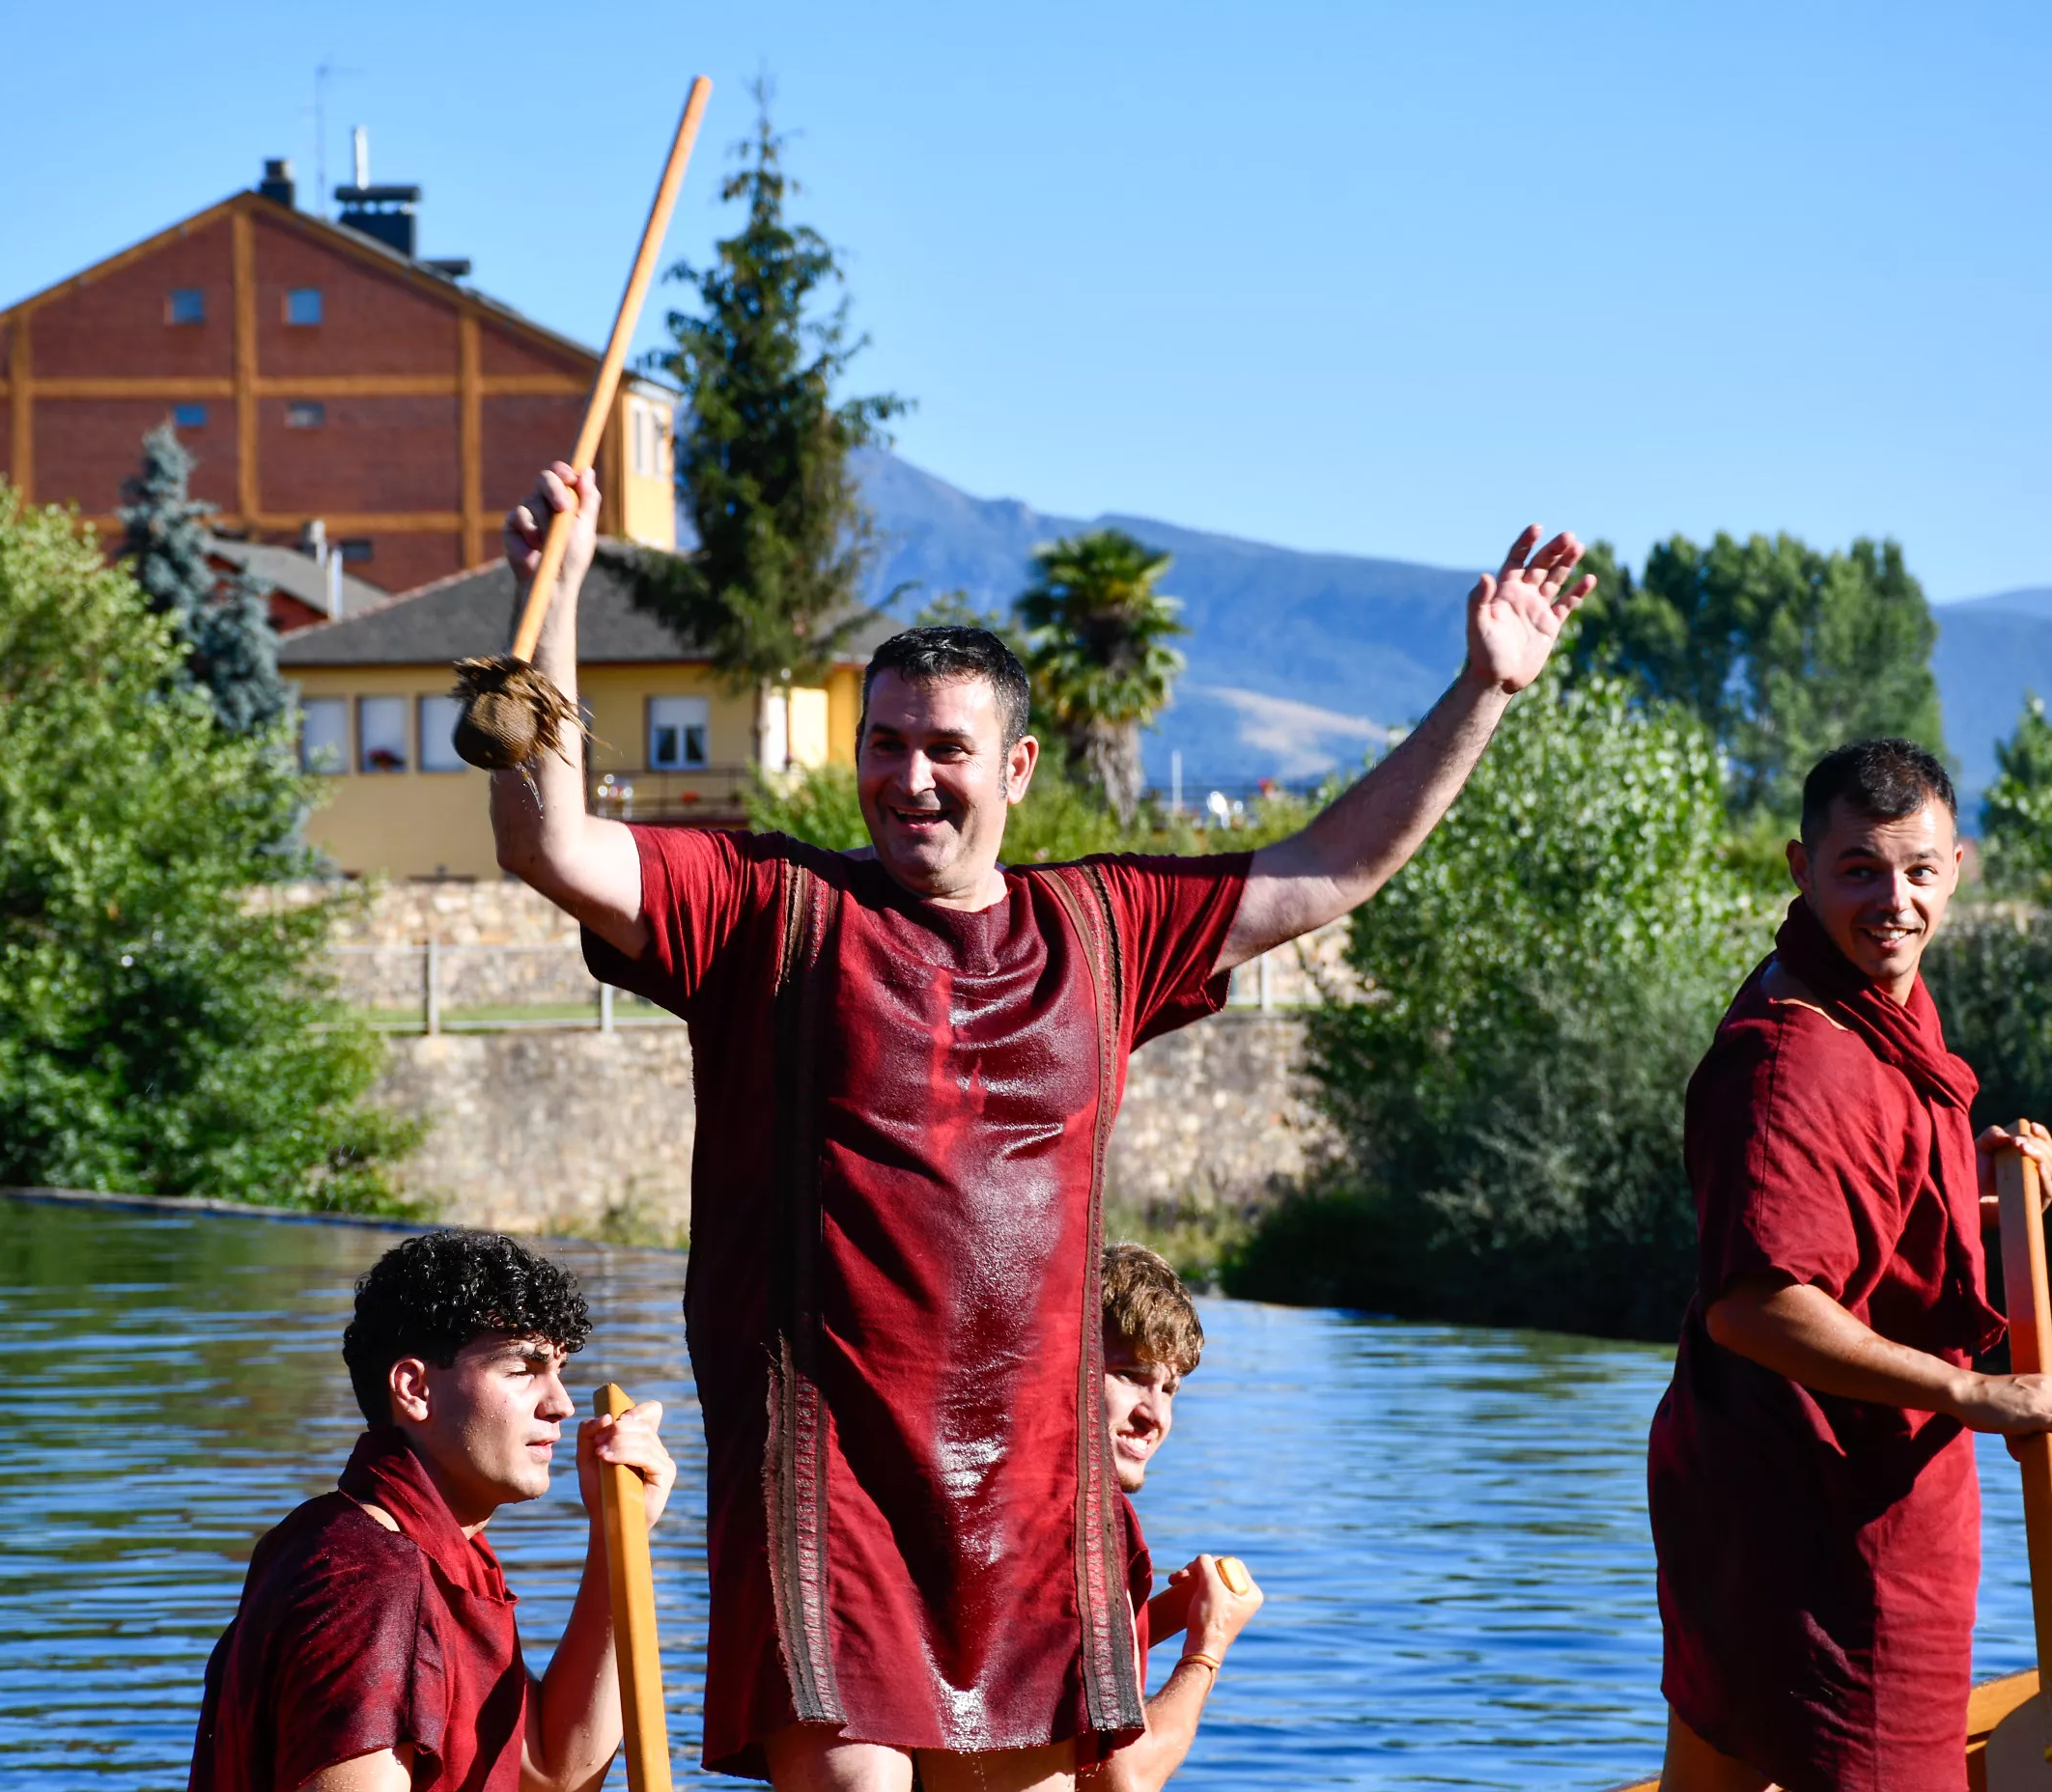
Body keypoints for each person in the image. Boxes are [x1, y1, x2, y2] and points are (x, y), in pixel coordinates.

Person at [490, 462, 1594, 1788]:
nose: (909, 778)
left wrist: (1484, 691)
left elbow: (1331, 867)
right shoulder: (766, 906)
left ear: (1015, 766)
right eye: (884, 744)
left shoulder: (1106, 925)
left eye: (944, 749)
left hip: (1028, 1505)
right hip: (827, 1490)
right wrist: (549, 602)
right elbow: (551, 843)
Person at [1645, 739, 2052, 1792]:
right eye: (1860, 869)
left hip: (1785, 1493)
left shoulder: (1872, 1002)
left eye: (1920, 870)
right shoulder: (1792, 1058)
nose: (1895, 901)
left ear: (1958, 868)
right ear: (1802, 869)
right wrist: (1973, 1391)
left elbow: (1865, 1227)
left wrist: (1988, 1202)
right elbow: (1758, 1304)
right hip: (1821, 1519)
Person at [188, 1229, 678, 1792]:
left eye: (559, 1370)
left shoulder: (408, 1548)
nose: (561, 1404)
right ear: (415, 1388)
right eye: (522, 1369)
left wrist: (621, 1534)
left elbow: (552, 1773)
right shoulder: (373, 1581)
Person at [1081, 1243, 1263, 1792]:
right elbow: (1124, 1778)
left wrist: (1165, 1615)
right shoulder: (1080, 1528)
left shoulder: (1020, 1497)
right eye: (1129, 1374)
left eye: (1169, 1389)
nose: (1154, 1415)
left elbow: (1061, 1671)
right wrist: (1208, 1644)